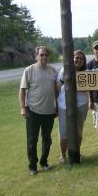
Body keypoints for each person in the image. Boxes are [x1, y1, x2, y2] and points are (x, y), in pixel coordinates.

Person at [19, 46, 57, 176]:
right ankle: (32, 166)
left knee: (47, 139)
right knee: (32, 140)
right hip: (33, 111)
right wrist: (23, 107)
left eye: (46, 55)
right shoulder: (29, 70)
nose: (44, 57)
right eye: (41, 55)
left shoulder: (52, 70)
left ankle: (44, 162)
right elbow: (22, 90)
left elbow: (56, 91)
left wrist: (56, 106)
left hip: (49, 112)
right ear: (36, 56)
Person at [56, 50, 88, 163]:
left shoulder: (86, 72)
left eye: (80, 58)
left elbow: (88, 90)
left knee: (78, 131)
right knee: (64, 133)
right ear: (72, 58)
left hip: (81, 105)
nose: (78, 60)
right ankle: (63, 155)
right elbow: (58, 87)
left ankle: (76, 153)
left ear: (83, 61)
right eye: (76, 58)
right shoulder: (64, 70)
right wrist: (55, 105)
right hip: (63, 106)